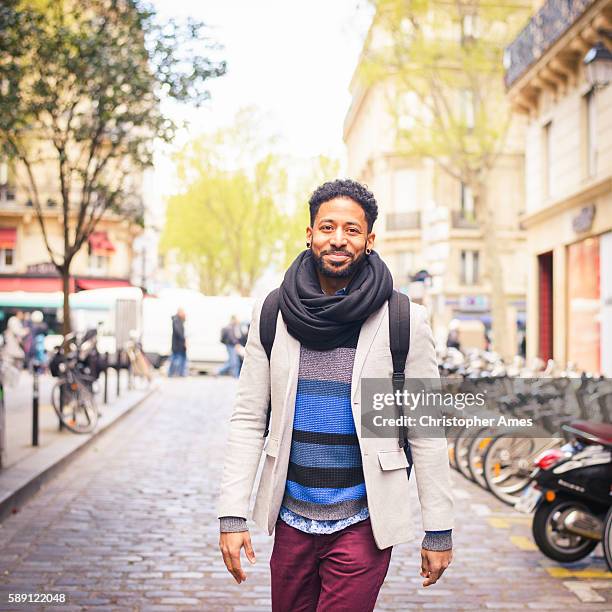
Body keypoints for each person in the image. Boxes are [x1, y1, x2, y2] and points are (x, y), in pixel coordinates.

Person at [217, 179, 454, 611]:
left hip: (363, 523)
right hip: (290, 519)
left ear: (369, 239)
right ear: (310, 234)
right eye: (327, 227)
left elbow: (426, 430)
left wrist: (438, 529)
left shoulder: (402, 319)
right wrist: (232, 515)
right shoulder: (273, 313)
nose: (339, 239)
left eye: (352, 229)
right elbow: (249, 419)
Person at [168, 308, 187, 377]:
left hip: (179, 345)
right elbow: (179, 332)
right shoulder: (176, 321)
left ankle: (180, 373)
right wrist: (184, 339)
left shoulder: (179, 321)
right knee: (176, 359)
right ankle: (173, 373)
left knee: (179, 359)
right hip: (178, 345)